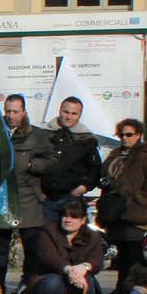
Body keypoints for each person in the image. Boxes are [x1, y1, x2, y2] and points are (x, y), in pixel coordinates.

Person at [11, 200, 105, 294]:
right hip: (50, 285)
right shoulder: (47, 232)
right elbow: (48, 257)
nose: (68, 220)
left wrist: (85, 267)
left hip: (75, 287)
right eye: (65, 216)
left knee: (88, 280)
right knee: (52, 281)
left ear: (83, 220)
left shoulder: (92, 236)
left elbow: (97, 259)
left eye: (73, 217)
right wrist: (69, 270)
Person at [0, 93, 55, 294]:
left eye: (15, 112)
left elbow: (51, 162)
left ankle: (27, 286)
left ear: (24, 112)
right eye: (8, 111)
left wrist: (32, 164)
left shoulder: (36, 135)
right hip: (2, 199)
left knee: (32, 248)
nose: (11, 116)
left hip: (28, 198)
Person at [97, 118, 147, 294]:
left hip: (135, 210)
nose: (125, 138)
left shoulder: (145, 153)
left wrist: (141, 198)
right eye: (121, 135)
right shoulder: (115, 154)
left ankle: (131, 289)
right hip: (116, 209)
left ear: (138, 135)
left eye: (129, 135)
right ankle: (121, 287)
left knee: (133, 252)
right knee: (122, 253)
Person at [38, 97, 102, 227]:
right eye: (66, 112)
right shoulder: (43, 133)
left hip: (70, 198)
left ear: (79, 115)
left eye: (74, 113)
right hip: (44, 198)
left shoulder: (86, 138)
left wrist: (84, 187)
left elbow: (95, 169)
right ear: (60, 111)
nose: (69, 117)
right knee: (45, 241)